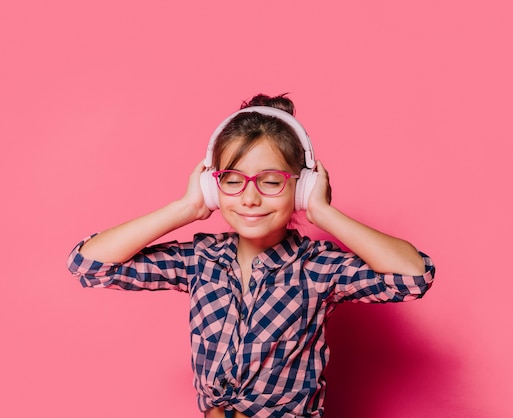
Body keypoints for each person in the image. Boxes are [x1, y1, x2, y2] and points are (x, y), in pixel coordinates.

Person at [67, 93, 436, 418]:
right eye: (232, 180)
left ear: (302, 186)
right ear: (213, 186)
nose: (249, 198)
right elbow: (89, 264)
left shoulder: (318, 268)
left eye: (271, 181)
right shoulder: (200, 260)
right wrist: (185, 208)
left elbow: (413, 276)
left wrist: (322, 213)